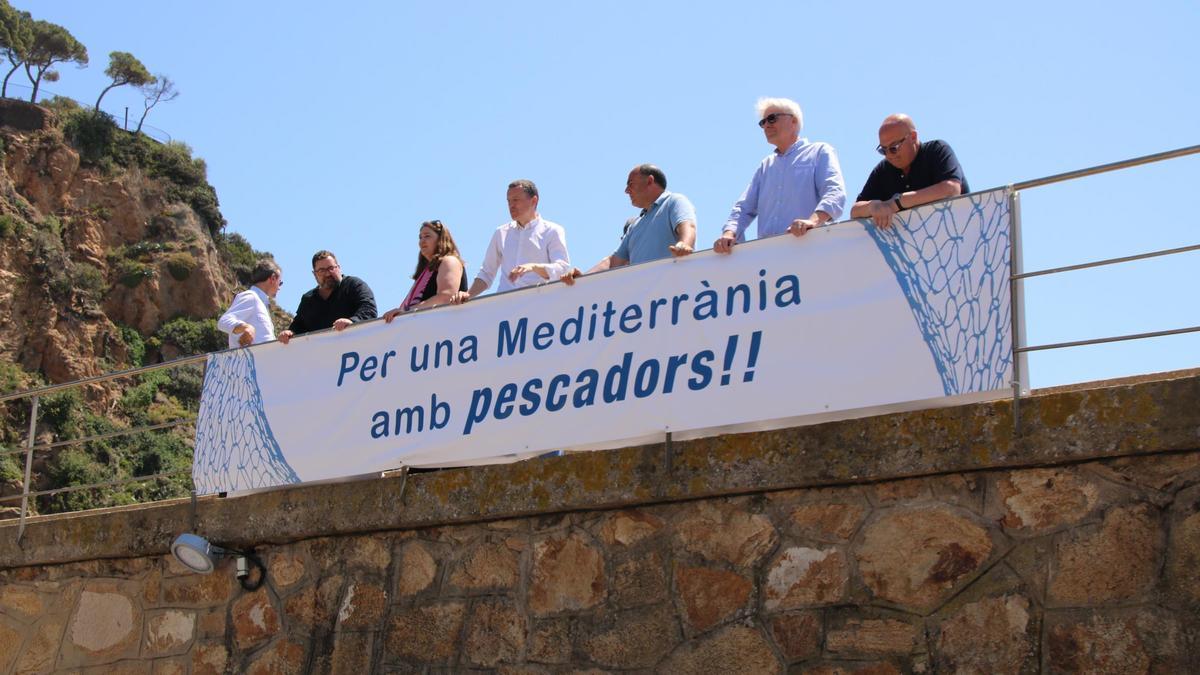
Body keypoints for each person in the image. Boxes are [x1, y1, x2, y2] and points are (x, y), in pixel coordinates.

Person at [714, 97, 846, 254]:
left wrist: (812, 222)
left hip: (811, 251)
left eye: (772, 118)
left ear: (794, 121)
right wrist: (729, 233)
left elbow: (834, 193)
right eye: (763, 122)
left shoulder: (819, 152)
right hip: (771, 260)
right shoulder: (766, 165)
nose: (766, 125)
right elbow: (743, 207)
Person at [564, 164, 696, 284]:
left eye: (631, 184)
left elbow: (687, 226)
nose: (626, 190)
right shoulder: (635, 225)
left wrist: (684, 244)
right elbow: (613, 262)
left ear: (650, 181)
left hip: (673, 291)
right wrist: (582, 280)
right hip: (644, 299)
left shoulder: (674, 201)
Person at [454, 179, 571, 302]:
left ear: (534, 201)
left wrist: (533, 267)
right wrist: (468, 294)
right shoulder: (501, 232)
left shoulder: (553, 230)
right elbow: (487, 273)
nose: (511, 205)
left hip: (539, 305)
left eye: (516, 200)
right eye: (508, 201)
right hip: (505, 308)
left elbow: (562, 269)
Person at [850, 114, 969, 228]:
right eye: (883, 150)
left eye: (894, 148)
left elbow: (951, 189)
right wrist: (872, 206)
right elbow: (854, 211)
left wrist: (897, 203)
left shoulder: (936, 150)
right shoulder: (883, 169)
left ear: (913, 137)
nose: (889, 155)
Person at [277, 251, 377, 344]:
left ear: (338, 267)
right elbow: (298, 326)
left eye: (331, 268)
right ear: (314, 274)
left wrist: (352, 321)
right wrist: (289, 333)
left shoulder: (354, 285)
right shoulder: (308, 299)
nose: (328, 273)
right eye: (322, 270)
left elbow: (369, 310)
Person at [382, 220, 468, 321]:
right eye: (420, 237)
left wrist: (407, 312)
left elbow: (446, 296)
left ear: (441, 239)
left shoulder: (449, 261)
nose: (422, 241)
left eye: (427, 236)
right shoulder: (425, 273)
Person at [217, 259, 282, 349]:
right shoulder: (251, 296)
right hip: (252, 361)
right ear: (273, 278)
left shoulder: (261, 303)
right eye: (280, 283)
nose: (279, 288)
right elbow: (223, 321)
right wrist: (246, 327)